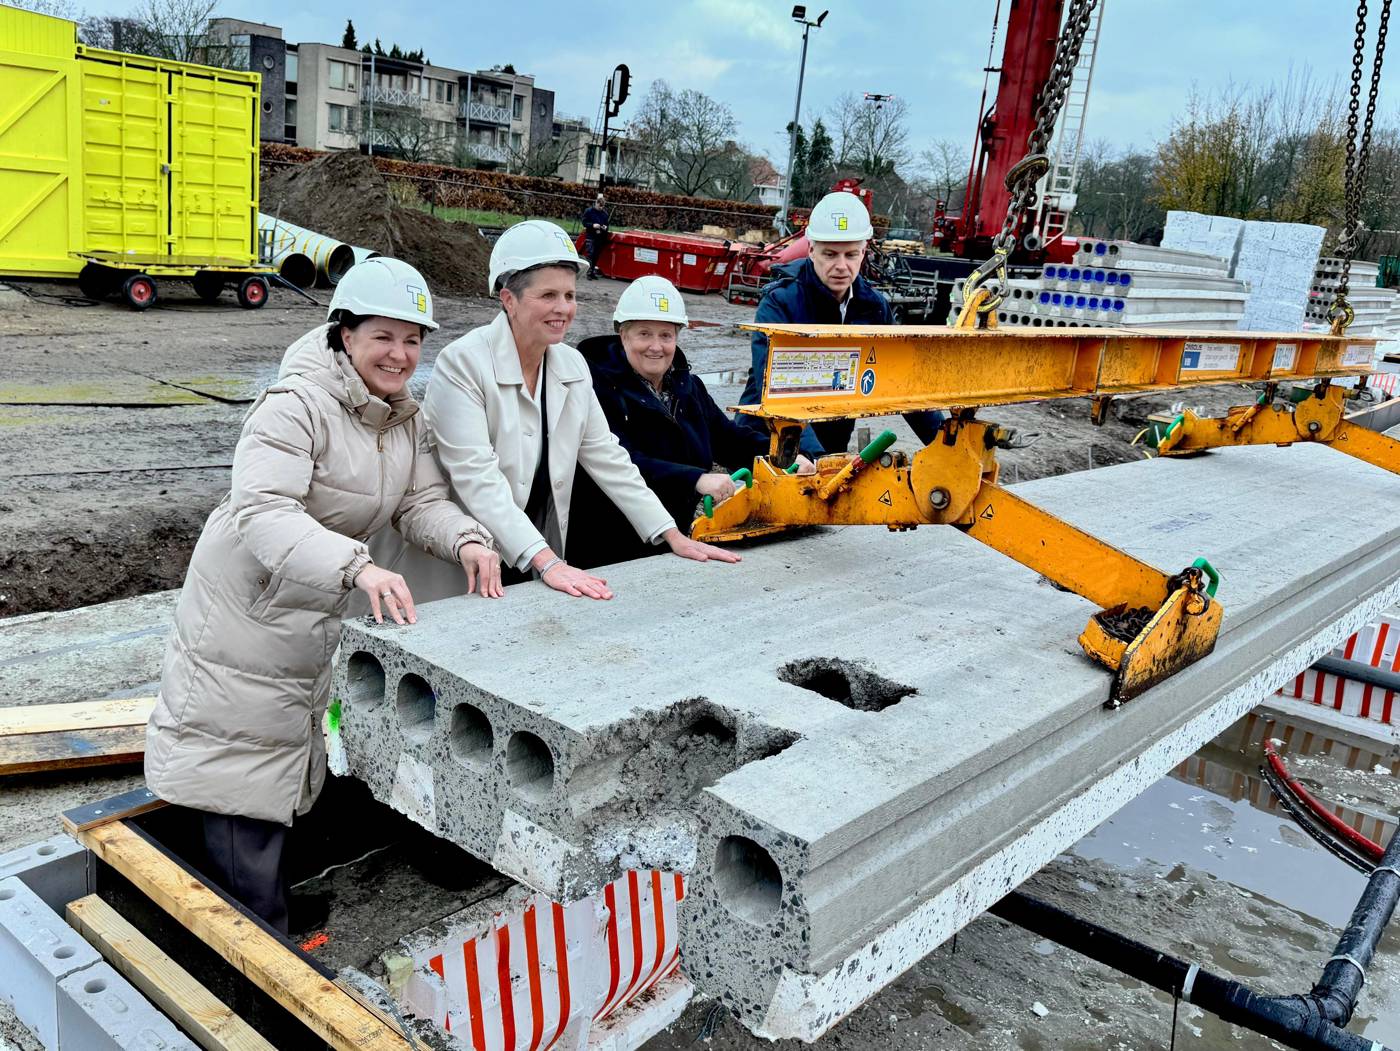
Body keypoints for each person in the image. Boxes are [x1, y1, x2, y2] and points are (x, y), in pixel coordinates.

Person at [145, 259, 498, 933]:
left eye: (413, 339)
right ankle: (251, 938)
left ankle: (268, 904)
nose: (400, 354)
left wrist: (467, 541)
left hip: (314, 599)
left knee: (290, 758)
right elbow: (264, 508)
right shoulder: (296, 403)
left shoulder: (399, 416)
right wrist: (357, 566)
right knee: (239, 766)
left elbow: (420, 499)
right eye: (383, 336)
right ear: (344, 334)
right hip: (251, 601)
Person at [403, 220, 738, 602]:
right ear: (508, 298)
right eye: (548, 295)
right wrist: (548, 562)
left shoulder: (571, 366)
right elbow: (478, 481)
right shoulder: (462, 364)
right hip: (466, 553)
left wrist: (670, 533)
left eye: (569, 295)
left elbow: (607, 456)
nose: (563, 308)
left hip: (534, 551)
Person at [569, 275, 815, 569]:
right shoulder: (597, 388)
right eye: (644, 334)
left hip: (673, 541)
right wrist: (694, 479)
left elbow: (728, 439)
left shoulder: (688, 387)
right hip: (608, 546)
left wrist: (786, 456)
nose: (656, 347)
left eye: (666, 335)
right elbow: (620, 459)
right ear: (623, 335)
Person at [737, 190, 945, 458]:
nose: (841, 266)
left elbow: (901, 378)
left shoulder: (874, 307)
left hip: (830, 443)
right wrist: (815, 457)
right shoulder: (780, 304)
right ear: (811, 250)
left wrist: (943, 444)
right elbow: (776, 389)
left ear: (864, 252)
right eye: (830, 254)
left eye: (851, 255)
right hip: (766, 442)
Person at [580, 193, 610, 279]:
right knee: (590, 254)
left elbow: (607, 225)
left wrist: (605, 227)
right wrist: (593, 225)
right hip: (591, 235)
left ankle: (592, 272)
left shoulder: (604, 214)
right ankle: (589, 273)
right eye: (599, 206)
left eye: (602, 206)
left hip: (600, 237)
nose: (601, 208)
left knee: (596, 255)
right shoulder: (589, 211)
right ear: (596, 203)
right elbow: (584, 222)